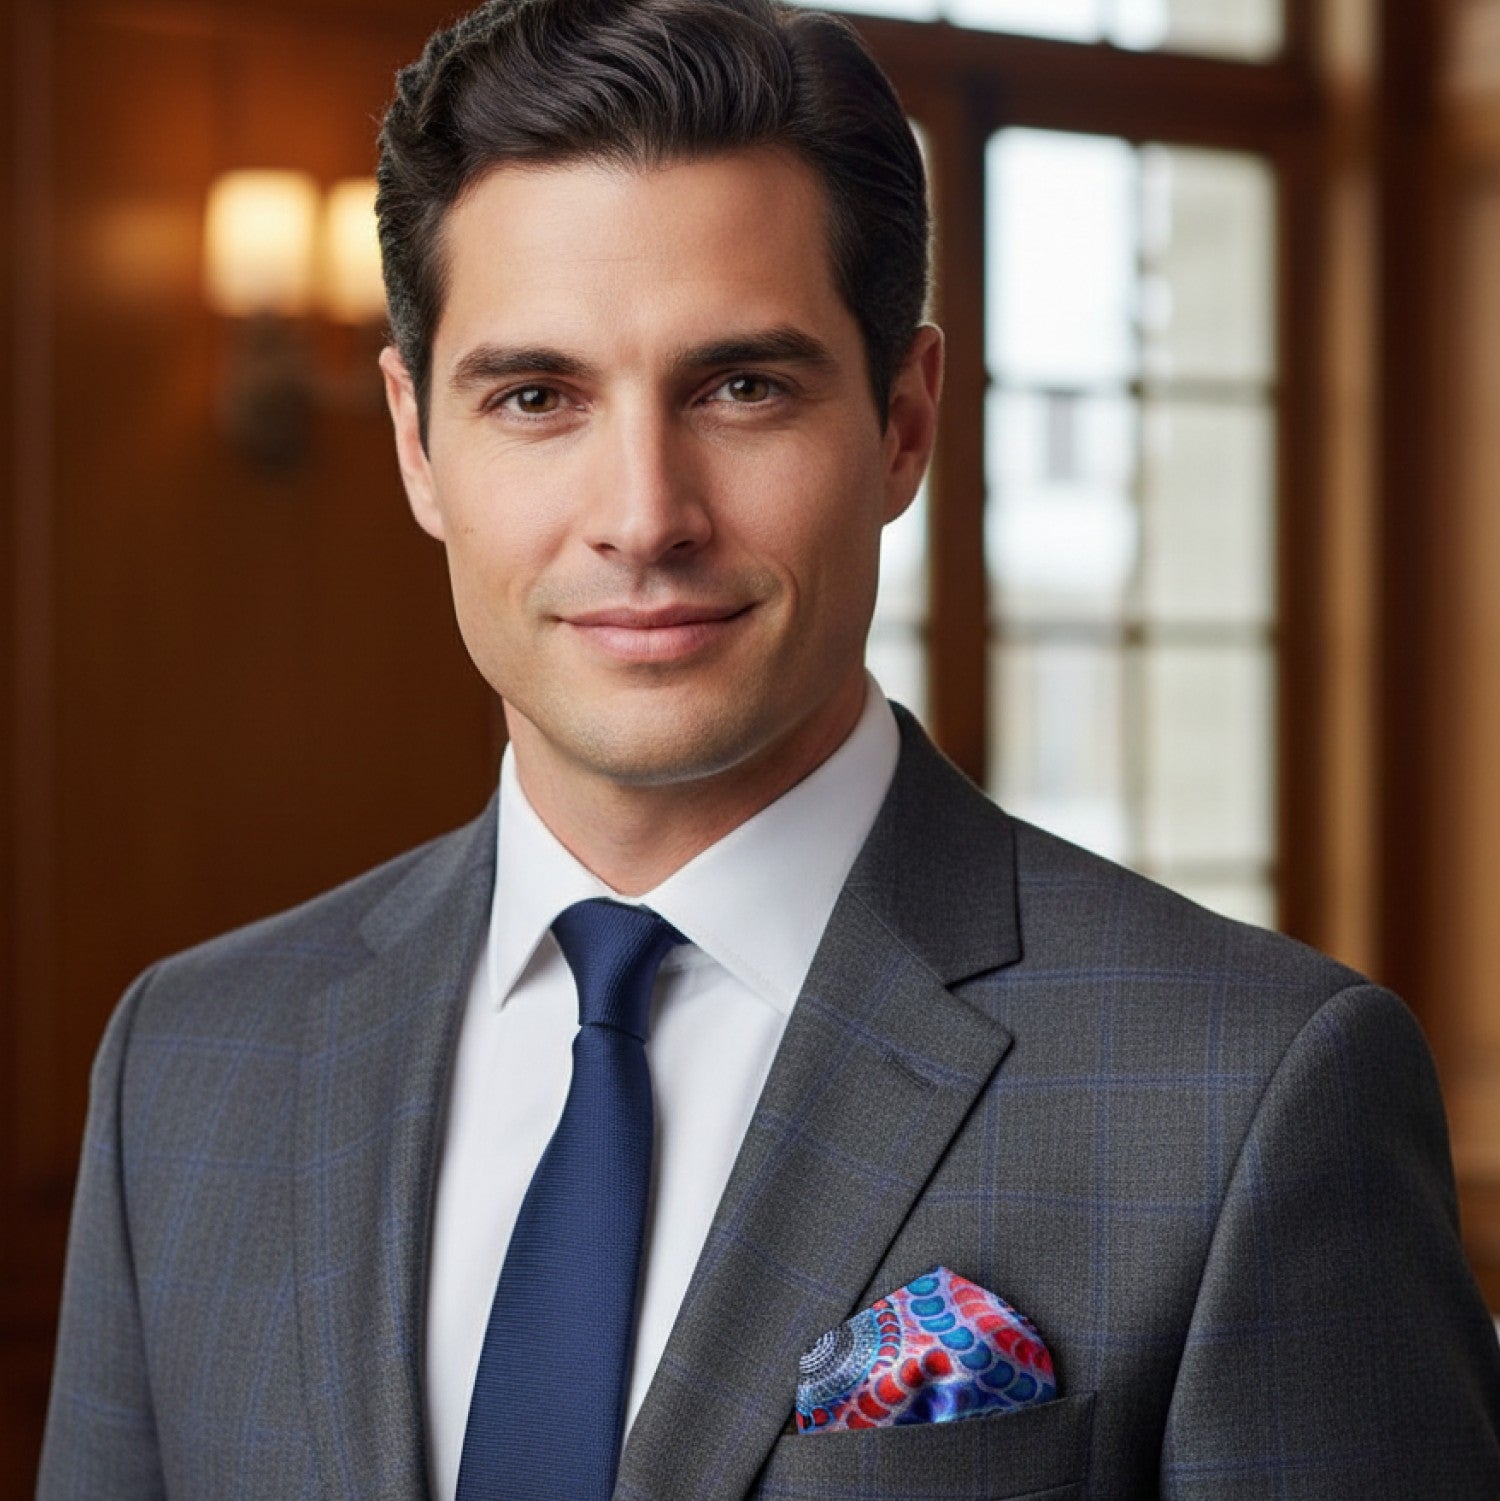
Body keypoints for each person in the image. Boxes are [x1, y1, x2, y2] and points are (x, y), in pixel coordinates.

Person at [37, 0, 1500, 1496]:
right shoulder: (190, 1065)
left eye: (741, 386)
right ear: (421, 443)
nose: (643, 513)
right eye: (537, 397)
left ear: (907, 422)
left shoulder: (1251, 1090)